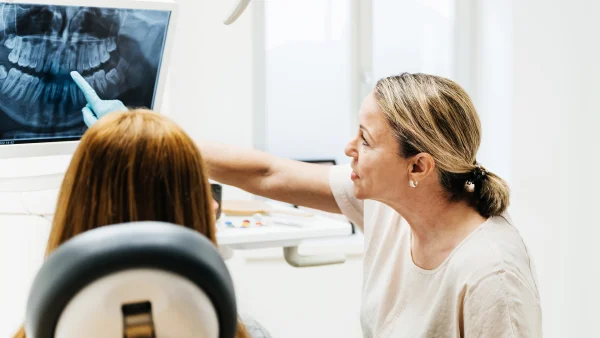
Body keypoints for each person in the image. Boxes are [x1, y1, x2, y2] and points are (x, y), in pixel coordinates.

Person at [72, 71, 542, 336]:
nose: (347, 149)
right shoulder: (391, 206)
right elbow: (268, 173)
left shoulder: (491, 275)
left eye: (365, 139)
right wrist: (146, 127)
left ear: (418, 167)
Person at [13, 108, 271, 338]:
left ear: (75, 202)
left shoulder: (42, 326)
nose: (214, 205)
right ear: (183, 206)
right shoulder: (246, 332)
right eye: (200, 187)